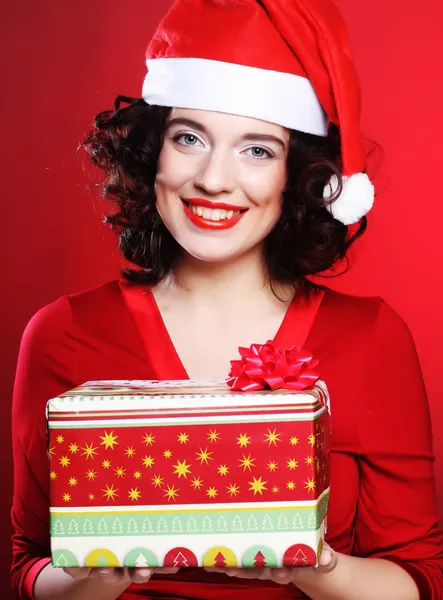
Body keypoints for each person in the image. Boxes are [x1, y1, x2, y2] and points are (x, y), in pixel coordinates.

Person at [10, 0, 443, 599]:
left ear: (299, 175)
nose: (214, 179)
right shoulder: (64, 333)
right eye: (189, 138)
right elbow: (28, 566)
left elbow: (419, 579)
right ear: (152, 150)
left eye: (257, 149)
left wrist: (312, 567)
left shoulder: (370, 337)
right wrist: (95, 578)